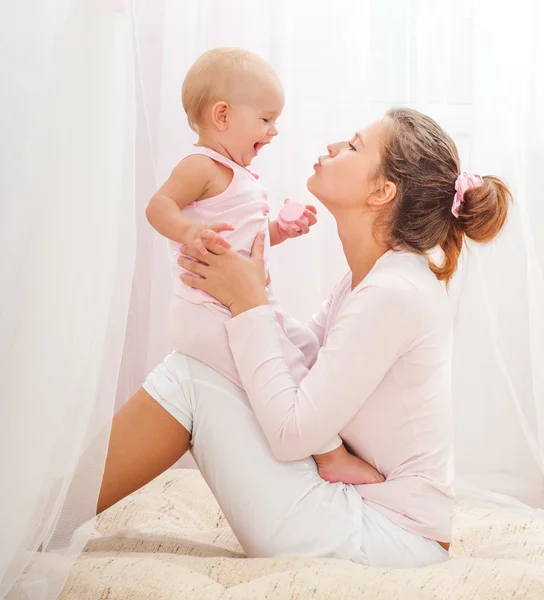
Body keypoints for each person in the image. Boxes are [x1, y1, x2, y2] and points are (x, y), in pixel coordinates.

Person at [97, 107, 511, 568]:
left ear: (382, 191)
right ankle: (43, 514)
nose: (334, 146)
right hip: (368, 514)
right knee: (203, 367)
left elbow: (293, 433)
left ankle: (40, 518)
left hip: (389, 539)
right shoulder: (374, 281)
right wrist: (245, 295)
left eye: (353, 146)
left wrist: (248, 303)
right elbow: (303, 358)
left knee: (189, 377)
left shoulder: (395, 292)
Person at [145, 47, 381, 485]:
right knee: (284, 362)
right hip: (209, 314)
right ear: (222, 116)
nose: (273, 132)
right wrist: (187, 232)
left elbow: (248, 239)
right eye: (266, 119)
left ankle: (332, 430)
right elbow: (158, 206)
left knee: (304, 349)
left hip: (245, 306)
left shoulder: (237, 175)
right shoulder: (202, 166)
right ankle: (329, 454)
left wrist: (279, 229)